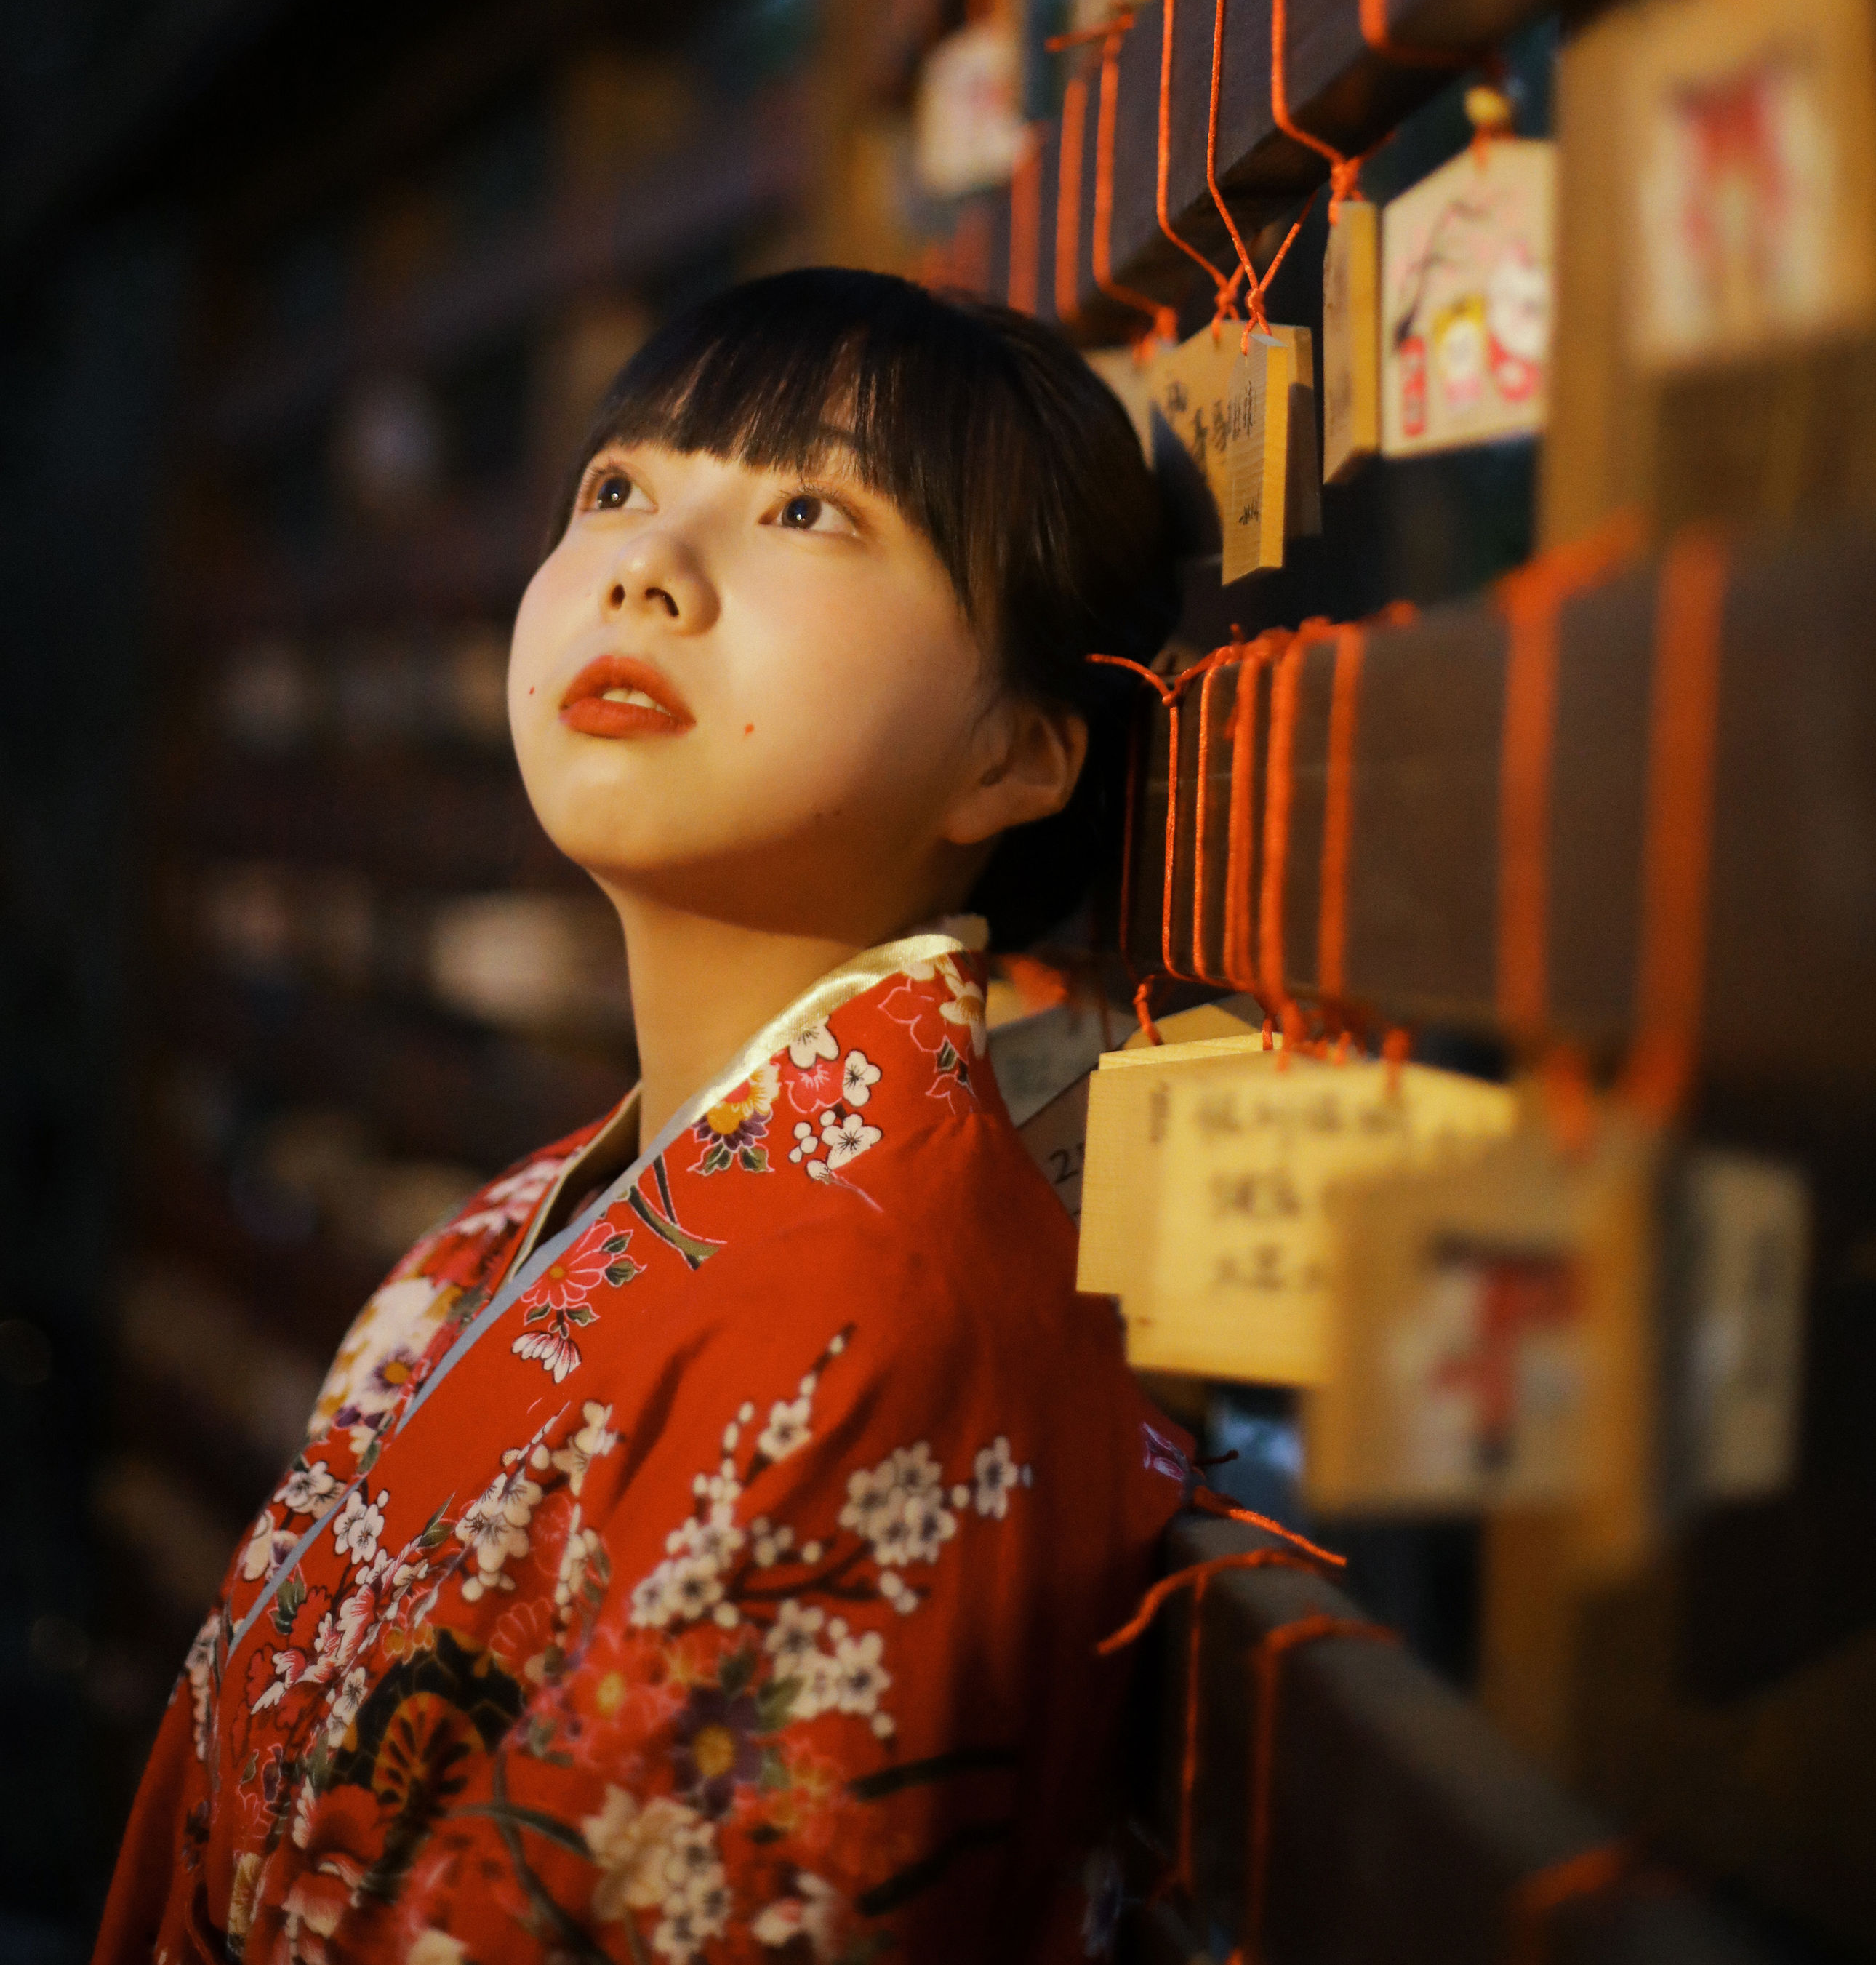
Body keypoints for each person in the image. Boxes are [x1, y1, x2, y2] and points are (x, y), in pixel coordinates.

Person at [97, 268, 1192, 1965]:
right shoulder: (536, 1222)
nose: (646, 567)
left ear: (1015, 762)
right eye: (618, 486)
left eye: (809, 507)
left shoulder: (878, 1321)